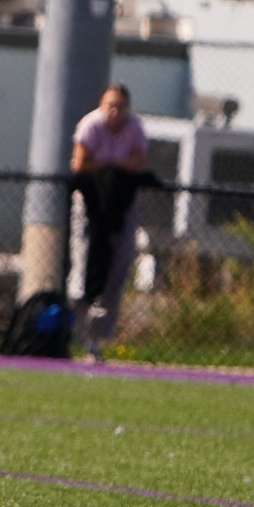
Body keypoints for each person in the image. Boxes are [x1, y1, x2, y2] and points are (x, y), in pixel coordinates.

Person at [68, 83, 149, 359]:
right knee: (83, 269)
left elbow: (137, 163)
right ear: (102, 106)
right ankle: (73, 332)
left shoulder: (135, 128)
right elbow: (79, 164)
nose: (115, 112)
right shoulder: (90, 126)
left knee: (117, 270)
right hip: (91, 210)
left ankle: (95, 340)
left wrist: (104, 165)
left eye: (121, 106)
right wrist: (114, 166)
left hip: (122, 210)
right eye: (110, 106)